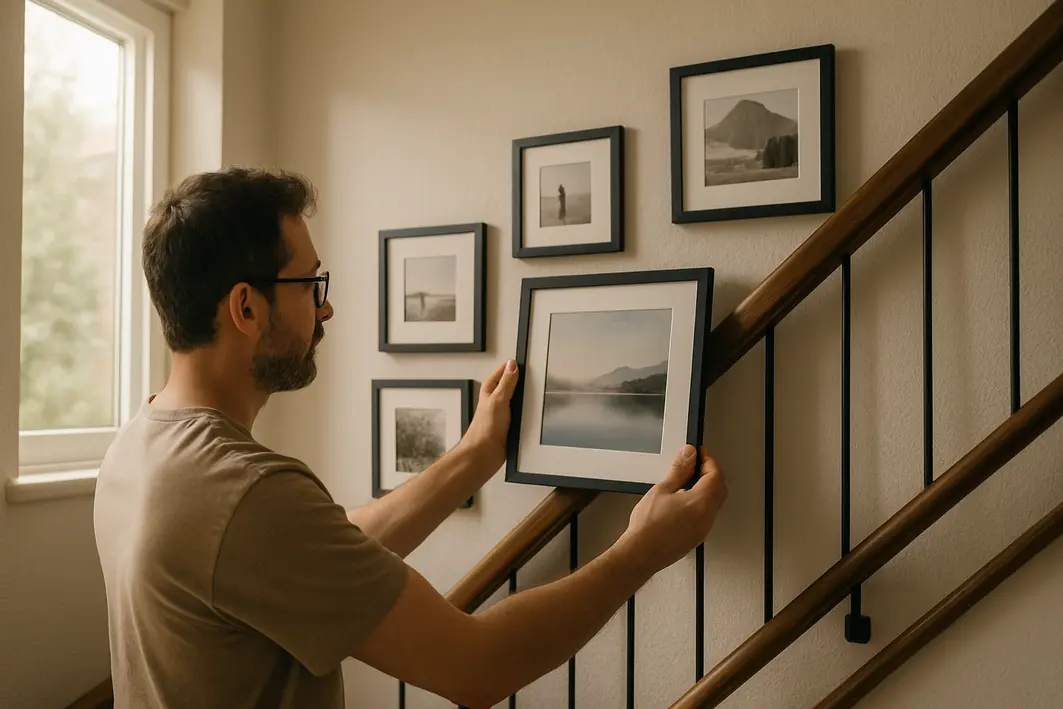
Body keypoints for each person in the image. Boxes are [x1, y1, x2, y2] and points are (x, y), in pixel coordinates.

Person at [93, 167, 728, 709]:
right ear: (247, 308)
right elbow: (480, 666)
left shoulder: (139, 445)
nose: (326, 309)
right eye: (312, 285)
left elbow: (320, 553)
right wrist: (643, 548)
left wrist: (475, 456)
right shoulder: (247, 493)